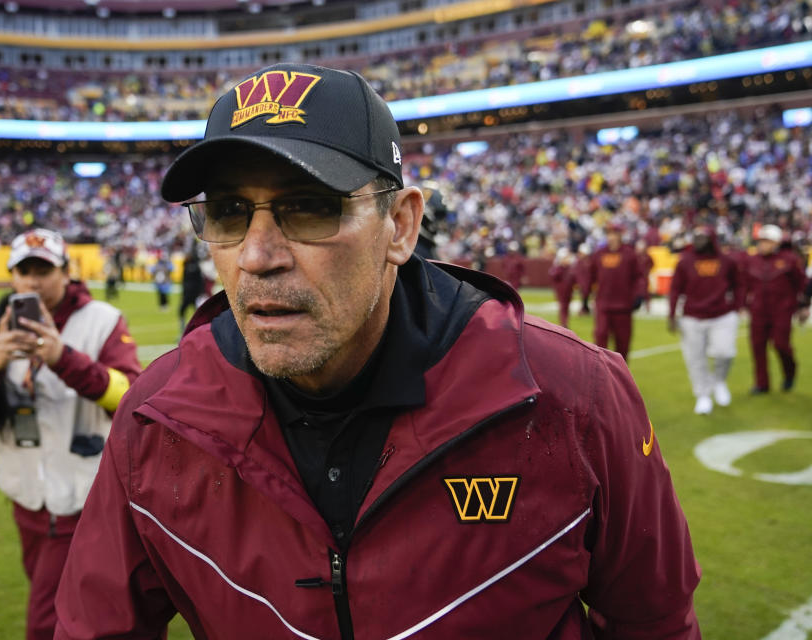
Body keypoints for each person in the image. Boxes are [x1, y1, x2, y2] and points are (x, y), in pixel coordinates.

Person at [54, 63, 700, 640]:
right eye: (227, 212)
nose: (256, 256)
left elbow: (655, 622)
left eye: (308, 207)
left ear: (400, 225)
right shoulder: (156, 420)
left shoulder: (573, 396)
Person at [0, 228, 142, 640]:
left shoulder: (101, 320)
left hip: (83, 501)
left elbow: (131, 398)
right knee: (62, 608)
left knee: (48, 624)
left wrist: (62, 358)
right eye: (24, 270)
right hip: (28, 501)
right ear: (12, 277)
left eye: (44, 269)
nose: (33, 281)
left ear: (66, 271)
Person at [668, 225, 742, 415]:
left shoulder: (726, 261)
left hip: (722, 315)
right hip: (692, 316)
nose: (700, 241)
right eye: (697, 237)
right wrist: (671, 314)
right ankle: (703, 395)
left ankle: (719, 381)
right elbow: (675, 288)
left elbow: (739, 284)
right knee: (695, 358)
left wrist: (736, 306)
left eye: (704, 237)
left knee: (725, 352)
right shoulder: (685, 260)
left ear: (712, 239)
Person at [743, 224, 808, 393]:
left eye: (767, 241)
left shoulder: (789, 259)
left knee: (781, 345)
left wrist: (804, 306)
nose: (763, 244)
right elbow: (745, 285)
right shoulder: (752, 260)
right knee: (757, 347)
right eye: (761, 240)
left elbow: (802, 284)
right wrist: (743, 304)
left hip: (782, 310)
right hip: (758, 310)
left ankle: (789, 373)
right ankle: (762, 383)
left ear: (776, 242)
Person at [587, 223, 645, 361]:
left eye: (614, 234)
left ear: (620, 236)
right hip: (603, 305)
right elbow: (591, 276)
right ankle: (601, 374)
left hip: (623, 306)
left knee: (623, 344)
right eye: (609, 234)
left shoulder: (629, 254)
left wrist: (639, 295)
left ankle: (621, 377)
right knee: (600, 339)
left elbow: (639, 277)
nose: (611, 237)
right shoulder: (599, 254)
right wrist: (585, 296)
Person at [549, 246, 576, 328]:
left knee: (567, 307)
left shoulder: (570, 268)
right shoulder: (558, 268)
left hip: (569, 291)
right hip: (562, 291)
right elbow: (553, 277)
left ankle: (565, 322)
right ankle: (564, 323)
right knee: (563, 307)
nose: (567, 259)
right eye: (565, 258)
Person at [574, 243, 592, 315]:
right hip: (582, 282)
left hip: (587, 282)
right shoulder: (579, 262)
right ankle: (585, 308)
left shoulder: (589, 262)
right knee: (583, 295)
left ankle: (585, 309)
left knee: (586, 296)